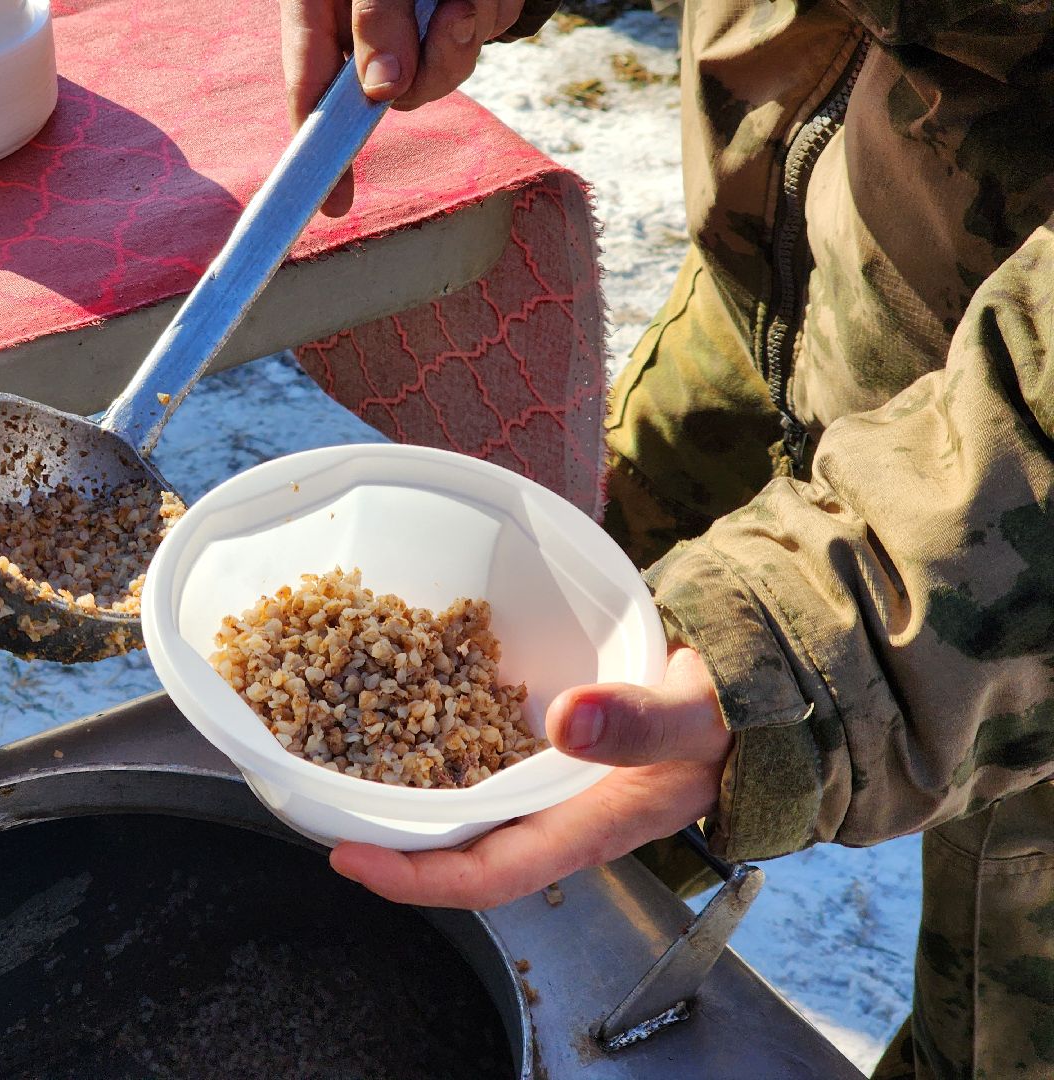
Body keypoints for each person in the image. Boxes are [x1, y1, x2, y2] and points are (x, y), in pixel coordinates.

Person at [279, 1, 1054, 1076]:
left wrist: (823, 634)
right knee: (539, 806)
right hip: (778, 297)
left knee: (1001, 1033)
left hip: (1007, 538)